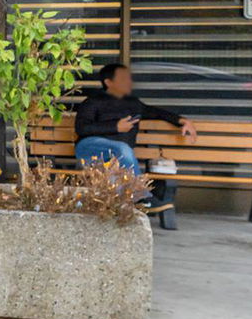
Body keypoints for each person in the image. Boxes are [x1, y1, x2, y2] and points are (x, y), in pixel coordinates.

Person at [75, 63, 196, 209]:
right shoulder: (92, 102)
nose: (129, 82)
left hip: (117, 158)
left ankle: (125, 210)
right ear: (108, 82)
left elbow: (156, 112)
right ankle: (141, 197)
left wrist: (182, 120)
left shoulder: (133, 103)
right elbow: (82, 128)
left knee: (116, 171)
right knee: (122, 149)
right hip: (90, 148)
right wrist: (115, 126)